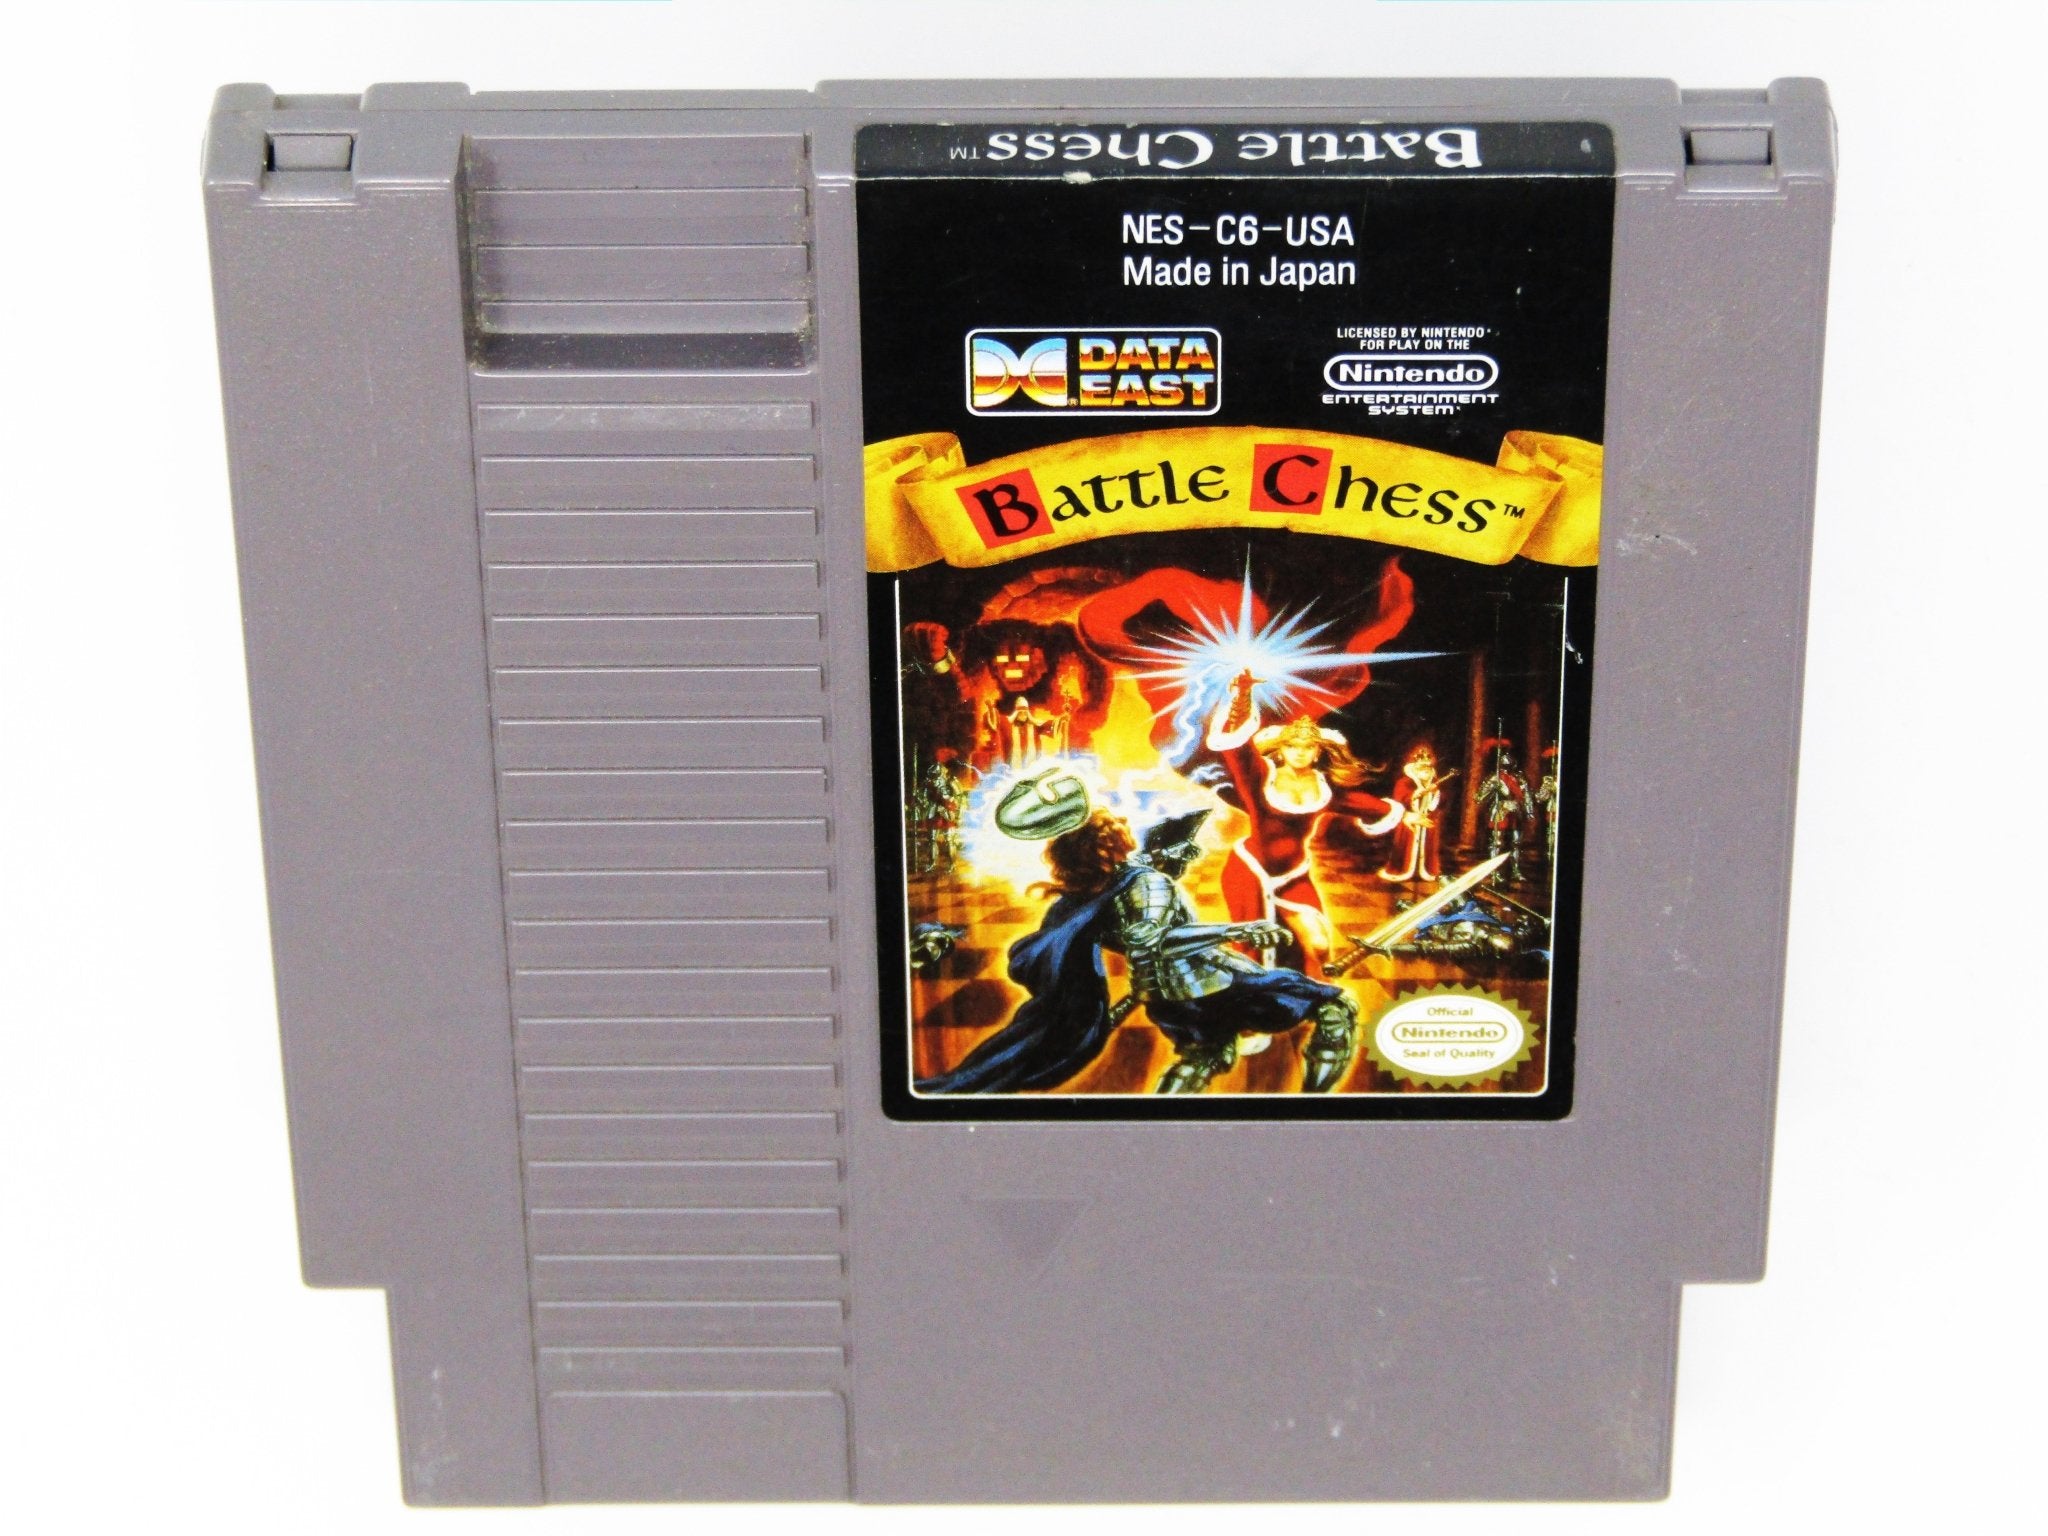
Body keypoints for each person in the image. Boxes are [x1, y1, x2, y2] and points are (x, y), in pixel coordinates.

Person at [1194, 669, 1404, 976]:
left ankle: (1309, 992)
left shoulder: (1325, 788)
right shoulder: (1261, 779)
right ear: (1281, 750)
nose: (1300, 753)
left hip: (1293, 877)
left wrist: (1407, 815)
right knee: (1254, 952)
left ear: (1318, 752)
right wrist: (1242, 698)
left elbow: (1365, 806)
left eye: (1308, 747)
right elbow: (1237, 749)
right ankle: (1258, 999)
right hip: (1249, 872)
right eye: (1293, 746)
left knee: (1319, 945)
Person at [1377, 744, 1451, 883]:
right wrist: (1415, 794)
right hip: (1409, 820)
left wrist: (1435, 793)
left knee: (1428, 848)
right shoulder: (1404, 782)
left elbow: (1442, 801)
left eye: (1428, 767)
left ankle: (1425, 870)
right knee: (1406, 847)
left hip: (1428, 820)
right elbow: (1399, 799)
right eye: (1422, 767)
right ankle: (1403, 869)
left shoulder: (1435, 783)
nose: (1425, 770)